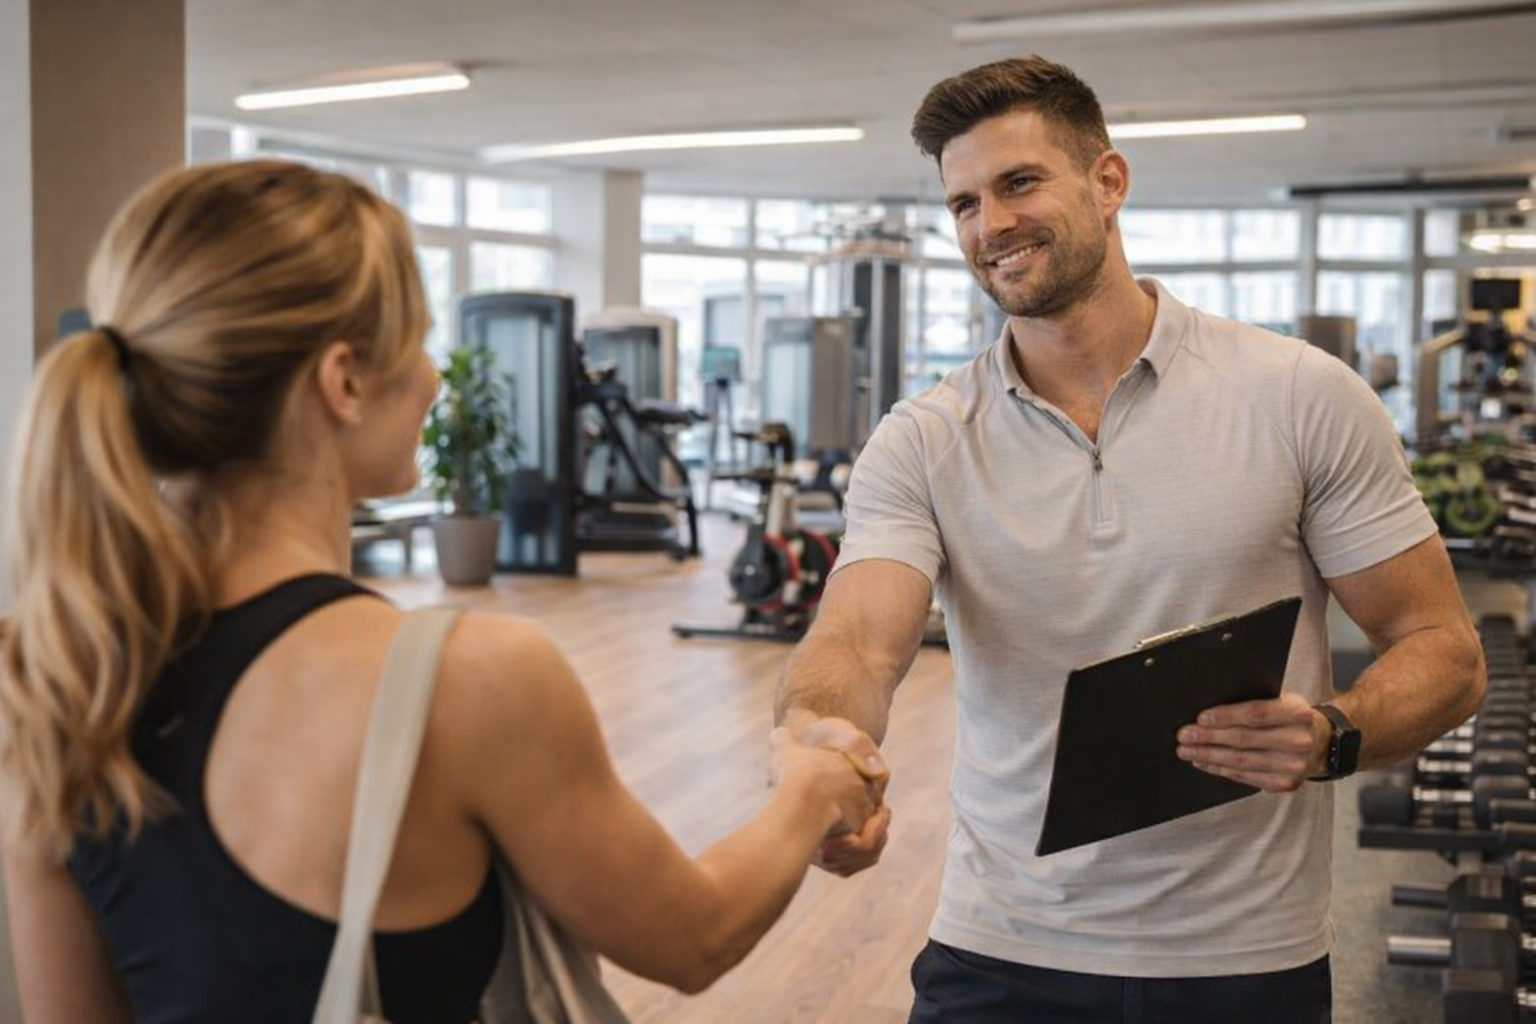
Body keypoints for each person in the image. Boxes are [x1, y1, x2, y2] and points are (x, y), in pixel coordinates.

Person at [0, 159, 880, 1024]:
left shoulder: (46, 675)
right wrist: (808, 788)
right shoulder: (468, 678)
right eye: (415, 341)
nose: (431, 377)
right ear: (343, 382)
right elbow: (693, 935)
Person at [775, 56, 1486, 1024]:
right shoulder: (926, 436)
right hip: (999, 945)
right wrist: (824, 738)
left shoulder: (1297, 395)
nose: (990, 225)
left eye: (1019, 182)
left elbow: (1442, 650)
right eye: (963, 203)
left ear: (1108, 182)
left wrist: (1332, 735)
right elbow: (857, 640)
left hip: (1245, 954)